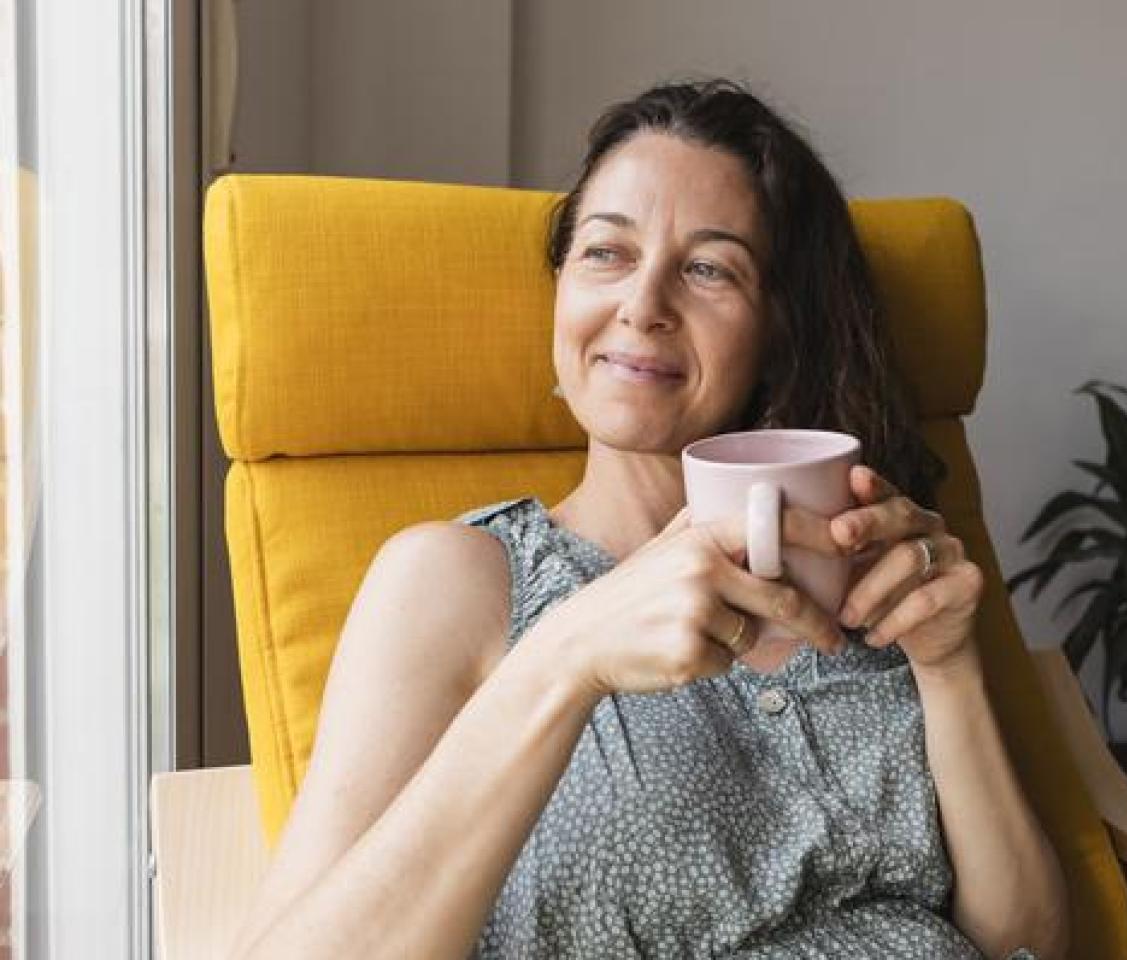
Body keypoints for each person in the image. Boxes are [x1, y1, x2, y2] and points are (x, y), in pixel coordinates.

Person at [231, 78, 1069, 960]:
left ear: (778, 325)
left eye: (708, 268)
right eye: (606, 253)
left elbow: (1030, 943)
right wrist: (565, 657)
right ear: (561, 289)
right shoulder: (456, 580)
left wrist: (951, 671)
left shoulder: (877, 562)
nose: (643, 305)